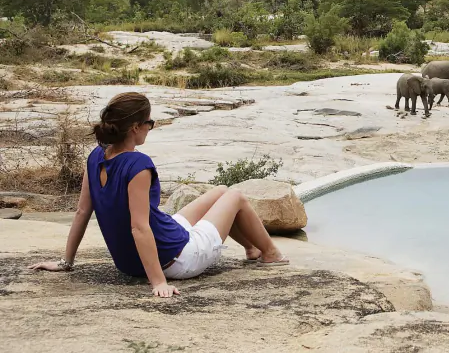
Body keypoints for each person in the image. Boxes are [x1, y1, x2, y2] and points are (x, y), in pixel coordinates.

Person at [29, 92, 288, 298]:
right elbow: (139, 228)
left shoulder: (96, 157)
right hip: (176, 259)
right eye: (149, 123)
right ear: (134, 127)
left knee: (220, 191)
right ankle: (271, 254)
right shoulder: (137, 165)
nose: (150, 128)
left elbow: (82, 212)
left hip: (132, 262)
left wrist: (66, 262)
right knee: (236, 196)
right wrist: (159, 283)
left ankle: (252, 248)